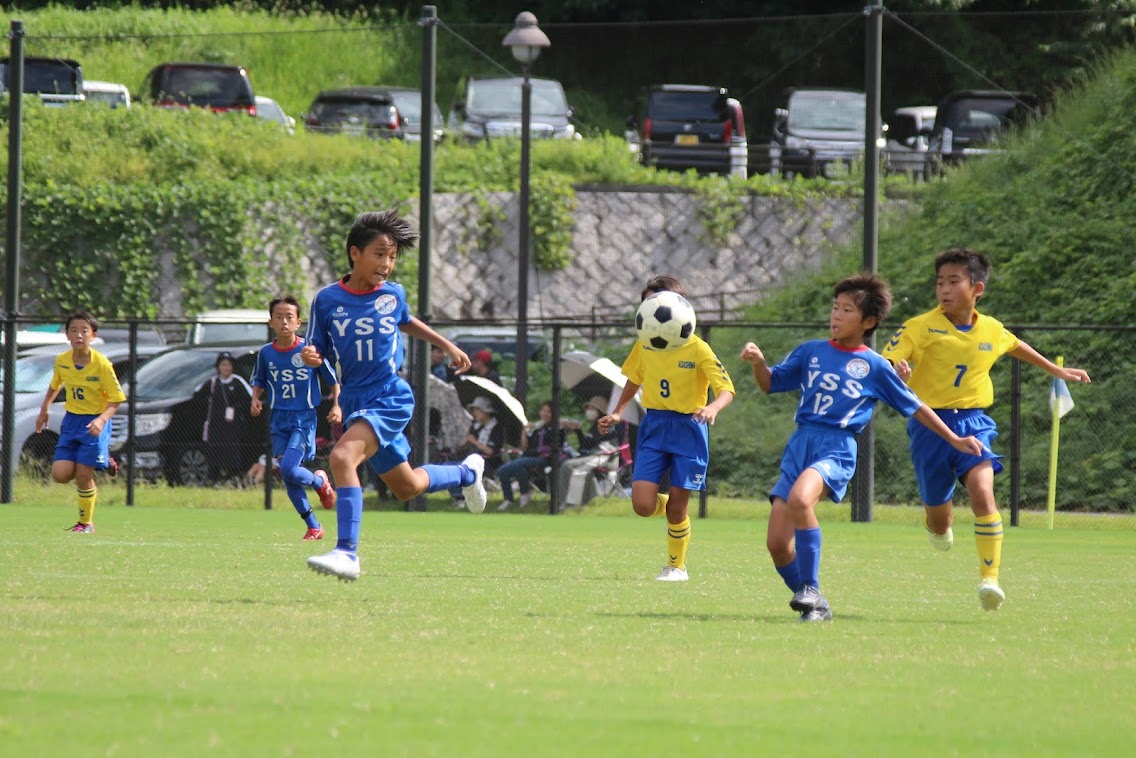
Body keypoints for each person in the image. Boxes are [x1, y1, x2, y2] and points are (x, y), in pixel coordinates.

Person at [741, 273, 986, 623]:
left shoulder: (874, 366)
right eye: (835, 307)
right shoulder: (810, 351)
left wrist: (955, 439)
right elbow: (771, 383)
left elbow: (916, 406)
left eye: (847, 310)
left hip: (836, 447)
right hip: (801, 443)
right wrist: (758, 364)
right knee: (778, 545)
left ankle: (810, 587)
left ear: (868, 321)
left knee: (800, 500)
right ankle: (817, 605)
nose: (836, 315)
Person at [881, 248, 1090, 610]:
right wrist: (897, 375)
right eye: (940, 283)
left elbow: (1014, 344)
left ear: (977, 288)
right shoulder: (919, 326)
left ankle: (989, 580)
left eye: (953, 281)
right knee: (939, 519)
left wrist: (1055, 370)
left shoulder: (990, 328)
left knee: (982, 492)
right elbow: (884, 363)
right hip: (930, 424)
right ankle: (935, 523)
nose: (944, 289)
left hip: (974, 422)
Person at [300, 209, 485, 582]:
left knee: (341, 457)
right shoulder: (327, 299)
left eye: (393, 256)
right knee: (407, 487)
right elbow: (315, 346)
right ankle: (467, 472)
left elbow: (406, 320)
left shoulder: (392, 294)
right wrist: (311, 356)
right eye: (380, 254)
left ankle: (347, 553)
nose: (387, 263)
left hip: (389, 396)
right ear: (355, 253)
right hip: (354, 400)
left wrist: (447, 345)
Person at [598, 275, 736, 582]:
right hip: (655, 425)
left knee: (677, 509)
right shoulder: (644, 343)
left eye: (654, 301)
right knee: (642, 505)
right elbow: (634, 378)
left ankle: (676, 567)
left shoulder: (698, 348)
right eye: (645, 303)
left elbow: (726, 389)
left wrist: (713, 408)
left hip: (689, 428)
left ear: (677, 307)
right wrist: (618, 411)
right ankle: (673, 506)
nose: (649, 308)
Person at [250, 295, 343, 541]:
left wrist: (337, 405)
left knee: (289, 468)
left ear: (298, 322)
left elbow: (332, 380)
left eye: (289, 317)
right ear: (271, 322)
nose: (284, 322)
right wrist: (255, 398)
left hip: (303, 418)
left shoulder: (308, 351)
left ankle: (320, 482)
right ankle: (314, 527)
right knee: (288, 475)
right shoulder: (266, 353)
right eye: (279, 317)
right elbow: (259, 379)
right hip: (278, 419)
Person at [35, 310, 126, 533]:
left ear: (93, 335)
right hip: (71, 422)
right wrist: (44, 409)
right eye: (73, 330)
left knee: (84, 475)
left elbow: (116, 399)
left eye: (84, 331)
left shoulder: (102, 364)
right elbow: (55, 385)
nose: (78, 335)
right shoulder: (62, 361)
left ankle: (85, 523)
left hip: (95, 424)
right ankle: (102, 461)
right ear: (67, 335)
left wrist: (101, 421)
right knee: (60, 475)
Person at [196, 351, 255, 484]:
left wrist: (237, 408)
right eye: (223, 365)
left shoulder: (237, 382)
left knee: (232, 451)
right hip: (215, 425)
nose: (226, 368)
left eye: (228, 365)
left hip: (232, 425)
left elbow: (250, 398)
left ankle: (232, 477)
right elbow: (198, 395)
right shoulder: (213, 382)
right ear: (218, 367)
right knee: (214, 450)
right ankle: (214, 479)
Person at [496, 400, 567, 511]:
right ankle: (508, 499)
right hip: (530, 458)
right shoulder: (537, 429)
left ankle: (524, 494)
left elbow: (557, 446)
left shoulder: (558, 429)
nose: (545, 414)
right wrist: (525, 431)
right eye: (543, 411)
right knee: (503, 470)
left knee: (520, 463)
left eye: (548, 412)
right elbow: (525, 446)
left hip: (546, 460)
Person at [557, 395, 625, 509]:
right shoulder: (594, 426)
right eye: (588, 408)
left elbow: (603, 445)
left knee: (569, 466)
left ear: (600, 410)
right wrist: (578, 431)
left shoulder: (608, 425)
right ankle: (572, 502)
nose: (588, 411)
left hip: (606, 458)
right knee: (565, 465)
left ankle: (571, 504)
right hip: (593, 457)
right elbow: (585, 447)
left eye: (592, 408)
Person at [448, 396, 505, 509]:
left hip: (488, 462)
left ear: (486, 411)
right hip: (470, 458)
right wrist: (465, 442)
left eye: (478, 410)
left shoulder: (497, 428)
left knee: (461, 469)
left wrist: (475, 442)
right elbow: (465, 443)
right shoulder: (476, 426)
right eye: (474, 410)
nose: (475, 413)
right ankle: (458, 497)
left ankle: (462, 498)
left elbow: (490, 451)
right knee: (448, 466)